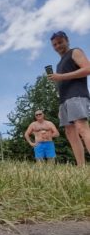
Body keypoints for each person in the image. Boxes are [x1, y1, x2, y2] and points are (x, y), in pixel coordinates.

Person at [48, 31, 90, 166]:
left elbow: (87, 69)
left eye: (60, 42)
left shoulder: (75, 52)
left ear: (67, 40)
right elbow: (64, 79)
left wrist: (61, 77)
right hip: (64, 100)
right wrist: (57, 80)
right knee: (70, 132)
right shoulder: (59, 63)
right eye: (55, 44)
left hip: (76, 95)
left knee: (82, 128)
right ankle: (81, 166)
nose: (58, 46)